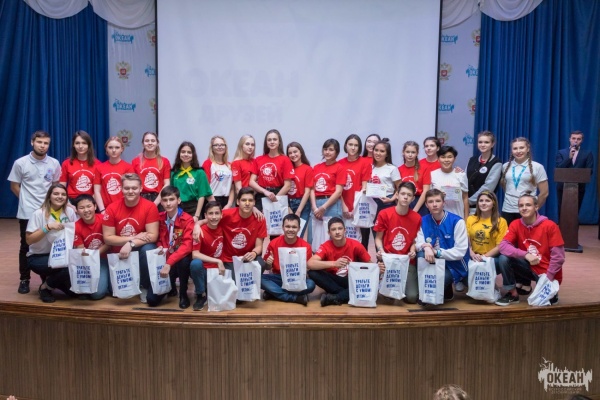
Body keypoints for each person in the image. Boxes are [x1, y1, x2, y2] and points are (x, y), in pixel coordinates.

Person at [8, 130, 61, 294]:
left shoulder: (54, 163)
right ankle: (24, 279)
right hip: (27, 212)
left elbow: (55, 185)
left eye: (46, 143)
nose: (42, 146)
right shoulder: (20, 163)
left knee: (48, 244)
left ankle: (46, 279)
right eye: (39, 142)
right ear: (32, 142)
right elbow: (14, 186)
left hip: (48, 211)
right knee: (26, 245)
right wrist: (25, 201)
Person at [497, 194, 564, 306]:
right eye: (521, 205)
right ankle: (512, 294)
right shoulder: (515, 224)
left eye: (528, 205)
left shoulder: (550, 226)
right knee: (503, 258)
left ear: (536, 207)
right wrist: (525, 254)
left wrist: (548, 278)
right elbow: (503, 246)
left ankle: (552, 293)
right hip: (528, 266)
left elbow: (559, 257)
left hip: (545, 272)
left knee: (547, 302)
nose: (524, 208)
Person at [102, 173, 159, 303]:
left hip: (139, 250)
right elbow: (108, 238)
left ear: (141, 188)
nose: (130, 191)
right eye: (127, 188)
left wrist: (131, 243)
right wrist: (133, 237)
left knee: (149, 248)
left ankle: (144, 285)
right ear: (121, 189)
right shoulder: (112, 208)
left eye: (134, 188)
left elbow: (153, 236)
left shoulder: (149, 206)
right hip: (119, 254)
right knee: (114, 293)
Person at [25, 183, 77, 303]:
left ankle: (53, 280)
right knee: (66, 266)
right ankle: (46, 287)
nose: (60, 197)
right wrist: (47, 227)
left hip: (61, 254)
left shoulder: (69, 212)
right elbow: (29, 240)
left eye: (63, 194)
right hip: (39, 256)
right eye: (56, 194)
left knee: (74, 293)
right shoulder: (39, 213)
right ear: (49, 196)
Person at [198, 187, 267, 276]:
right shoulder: (227, 214)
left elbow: (259, 246)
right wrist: (197, 225)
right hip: (229, 259)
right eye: (243, 200)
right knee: (235, 281)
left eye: (250, 200)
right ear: (238, 202)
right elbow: (211, 219)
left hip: (248, 257)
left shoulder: (260, 219)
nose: (247, 203)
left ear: (254, 203)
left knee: (261, 264)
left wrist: (254, 253)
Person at [415, 189, 469, 302]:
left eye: (438, 201)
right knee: (421, 253)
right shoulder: (421, 221)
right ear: (426, 205)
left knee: (434, 293)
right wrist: (426, 247)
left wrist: (436, 252)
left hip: (455, 265)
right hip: (433, 261)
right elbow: (418, 243)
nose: (434, 204)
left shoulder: (457, 221)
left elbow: (460, 251)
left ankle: (447, 284)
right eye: (430, 202)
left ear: (443, 203)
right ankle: (444, 288)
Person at [373, 182, 421, 303]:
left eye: (409, 195)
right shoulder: (384, 213)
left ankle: (401, 287)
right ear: (397, 195)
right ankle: (388, 285)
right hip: (388, 259)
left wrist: (412, 250)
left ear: (413, 198)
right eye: (403, 194)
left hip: (406, 261)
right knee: (387, 296)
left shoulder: (417, 218)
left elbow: (415, 241)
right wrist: (381, 251)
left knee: (412, 298)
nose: (405, 197)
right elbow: (378, 238)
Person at [307, 217, 372, 307]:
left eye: (340, 228)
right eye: (333, 229)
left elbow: (370, 265)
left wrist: (378, 269)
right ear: (329, 233)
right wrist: (334, 263)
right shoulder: (326, 246)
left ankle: (336, 297)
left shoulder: (356, 245)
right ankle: (345, 294)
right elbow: (310, 263)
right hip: (334, 280)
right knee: (312, 273)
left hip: (351, 280)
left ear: (345, 230)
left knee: (370, 283)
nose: (337, 232)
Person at [154, 186, 194, 308]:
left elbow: (187, 246)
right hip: (165, 258)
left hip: (178, 260)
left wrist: (169, 263)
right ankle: (171, 288)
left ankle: (183, 293)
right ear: (161, 202)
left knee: (184, 260)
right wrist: (159, 246)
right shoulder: (159, 217)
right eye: (165, 200)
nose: (168, 203)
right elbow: (157, 238)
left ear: (179, 200)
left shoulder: (187, 219)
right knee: (152, 300)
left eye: (171, 199)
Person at [262, 214, 316, 305]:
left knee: (311, 284)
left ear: (299, 229)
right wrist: (268, 263)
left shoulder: (305, 246)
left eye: (294, 227)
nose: (290, 229)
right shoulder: (273, 243)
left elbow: (308, 269)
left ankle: (274, 293)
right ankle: (293, 297)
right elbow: (267, 268)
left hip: (297, 278)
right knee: (259, 279)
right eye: (287, 226)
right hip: (278, 277)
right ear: (283, 227)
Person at [465, 191, 510, 296]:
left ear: (493, 203)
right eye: (481, 201)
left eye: (487, 201)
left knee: (504, 259)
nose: (483, 203)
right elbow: (465, 241)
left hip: (491, 258)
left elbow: (500, 246)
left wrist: (483, 257)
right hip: (473, 256)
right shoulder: (470, 219)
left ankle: (506, 289)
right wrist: (472, 253)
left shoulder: (501, 221)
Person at [500, 137, 548, 225]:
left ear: (528, 149)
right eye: (515, 148)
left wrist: (534, 208)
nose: (518, 151)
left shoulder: (537, 167)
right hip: (507, 209)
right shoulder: (505, 166)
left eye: (521, 148)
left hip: (527, 210)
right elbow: (506, 187)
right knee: (509, 233)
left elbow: (544, 193)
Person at [73, 194, 110, 300]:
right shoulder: (76, 226)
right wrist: (92, 256)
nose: (86, 210)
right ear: (77, 210)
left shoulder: (104, 219)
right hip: (90, 262)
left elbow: (110, 242)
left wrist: (95, 253)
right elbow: (81, 250)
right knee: (97, 294)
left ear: (95, 206)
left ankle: (107, 281)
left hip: (107, 258)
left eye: (89, 206)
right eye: (81, 208)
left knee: (114, 290)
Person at [189, 201, 225, 311]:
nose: (214, 217)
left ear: (221, 215)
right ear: (205, 215)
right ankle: (201, 294)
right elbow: (195, 254)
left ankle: (208, 289)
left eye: (217, 213)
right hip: (204, 270)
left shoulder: (224, 226)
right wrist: (217, 261)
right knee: (195, 264)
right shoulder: (199, 231)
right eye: (210, 213)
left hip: (220, 271)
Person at [308, 138, 345, 244]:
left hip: (331, 204)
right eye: (325, 149)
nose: (327, 152)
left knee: (332, 238)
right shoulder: (316, 167)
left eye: (331, 150)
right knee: (312, 238)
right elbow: (312, 189)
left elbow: (338, 192)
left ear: (337, 152)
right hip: (316, 204)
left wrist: (324, 207)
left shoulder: (340, 168)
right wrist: (314, 207)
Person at [250, 129, 295, 212]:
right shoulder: (258, 159)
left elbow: (287, 185)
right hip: (262, 194)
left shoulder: (285, 160)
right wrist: (265, 192)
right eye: (269, 140)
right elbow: (251, 182)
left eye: (274, 139)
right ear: (266, 142)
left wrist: (274, 199)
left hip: (280, 194)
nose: (272, 142)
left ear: (279, 142)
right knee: (259, 218)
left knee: (283, 220)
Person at [339, 134, 371, 250]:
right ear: (345, 146)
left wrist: (355, 209)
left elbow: (364, 188)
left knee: (362, 243)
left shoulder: (365, 163)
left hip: (359, 207)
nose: (353, 148)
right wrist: (344, 207)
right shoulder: (340, 163)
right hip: (343, 206)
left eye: (356, 145)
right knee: (343, 240)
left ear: (359, 147)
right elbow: (338, 189)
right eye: (350, 144)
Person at [170, 141, 213, 220]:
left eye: (189, 152)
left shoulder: (199, 172)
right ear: (179, 154)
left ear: (193, 155)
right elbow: (170, 193)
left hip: (193, 209)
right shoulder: (174, 173)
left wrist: (197, 215)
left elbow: (202, 195)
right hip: (176, 208)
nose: (186, 154)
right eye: (183, 152)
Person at [555, 130, 594, 215]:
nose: (575, 141)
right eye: (573, 138)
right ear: (569, 139)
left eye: (578, 139)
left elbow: (589, 171)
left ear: (582, 140)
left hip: (578, 187)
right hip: (563, 186)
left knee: (575, 211)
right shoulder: (561, 152)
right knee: (562, 211)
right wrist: (569, 158)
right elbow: (559, 169)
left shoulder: (587, 154)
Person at [370, 139, 401, 239]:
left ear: (387, 154)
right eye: (376, 150)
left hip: (387, 202)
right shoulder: (369, 167)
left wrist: (392, 199)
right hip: (372, 202)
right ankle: (378, 249)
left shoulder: (392, 168)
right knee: (375, 232)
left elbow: (400, 188)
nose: (378, 153)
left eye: (382, 151)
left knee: (387, 234)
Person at [93, 136, 134, 214]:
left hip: (124, 208)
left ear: (122, 149)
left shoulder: (128, 167)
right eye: (110, 147)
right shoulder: (99, 168)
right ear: (106, 149)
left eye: (117, 147)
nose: (114, 150)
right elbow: (96, 191)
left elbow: (130, 190)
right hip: (105, 209)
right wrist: (102, 210)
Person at [428, 146, 469, 219]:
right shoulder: (432, 175)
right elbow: (429, 197)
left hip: (458, 217)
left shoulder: (461, 175)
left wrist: (466, 219)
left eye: (449, 157)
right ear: (438, 159)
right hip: (438, 218)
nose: (446, 160)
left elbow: (465, 198)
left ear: (454, 159)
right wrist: (438, 195)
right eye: (443, 157)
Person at [131, 132, 171, 208]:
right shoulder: (135, 161)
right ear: (143, 144)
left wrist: (155, 203)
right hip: (140, 198)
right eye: (147, 141)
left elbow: (167, 183)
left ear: (157, 143)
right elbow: (133, 183)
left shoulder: (164, 161)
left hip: (159, 198)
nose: (150, 143)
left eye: (153, 141)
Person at [465, 131, 502, 214]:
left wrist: (469, 201)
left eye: (486, 142)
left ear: (492, 144)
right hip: (466, 207)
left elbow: (488, 187)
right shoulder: (472, 160)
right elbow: (464, 179)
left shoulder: (496, 163)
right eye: (480, 142)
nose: (483, 145)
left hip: (483, 207)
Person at [60, 130, 101, 203]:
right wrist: (68, 204)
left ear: (88, 145)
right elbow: (61, 187)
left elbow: (99, 189)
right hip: (71, 201)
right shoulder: (66, 163)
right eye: (77, 143)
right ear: (73, 145)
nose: (80, 146)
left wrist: (90, 202)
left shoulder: (98, 164)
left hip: (91, 201)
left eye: (84, 143)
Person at [286, 141, 313, 238]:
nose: (293, 155)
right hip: (288, 203)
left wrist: (298, 211)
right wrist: (288, 207)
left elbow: (307, 192)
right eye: (290, 153)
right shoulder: (287, 168)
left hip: (302, 204)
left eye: (295, 152)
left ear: (301, 152)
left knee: (298, 234)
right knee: (288, 234)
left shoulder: (307, 169)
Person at [202, 135, 234, 210]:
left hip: (226, 201)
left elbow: (232, 188)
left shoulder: (229, 165)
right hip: (211, 200)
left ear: (225, 147)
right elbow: (205, 186)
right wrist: (214, 204)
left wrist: (229, 204)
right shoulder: (208, 163)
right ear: (212, 148)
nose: (220, 147)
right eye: (216, 145)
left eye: (222, 145)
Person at [398, 141, 425, 212]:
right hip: (403, 201)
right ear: (403, 152)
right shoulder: (398, 170)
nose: (410, 155)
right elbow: (397, 190)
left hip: (420, 202)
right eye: (407, 152)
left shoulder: (424, 169)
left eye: (413, 152)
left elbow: (426, 191)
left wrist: (415, 210)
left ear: (417, 153)